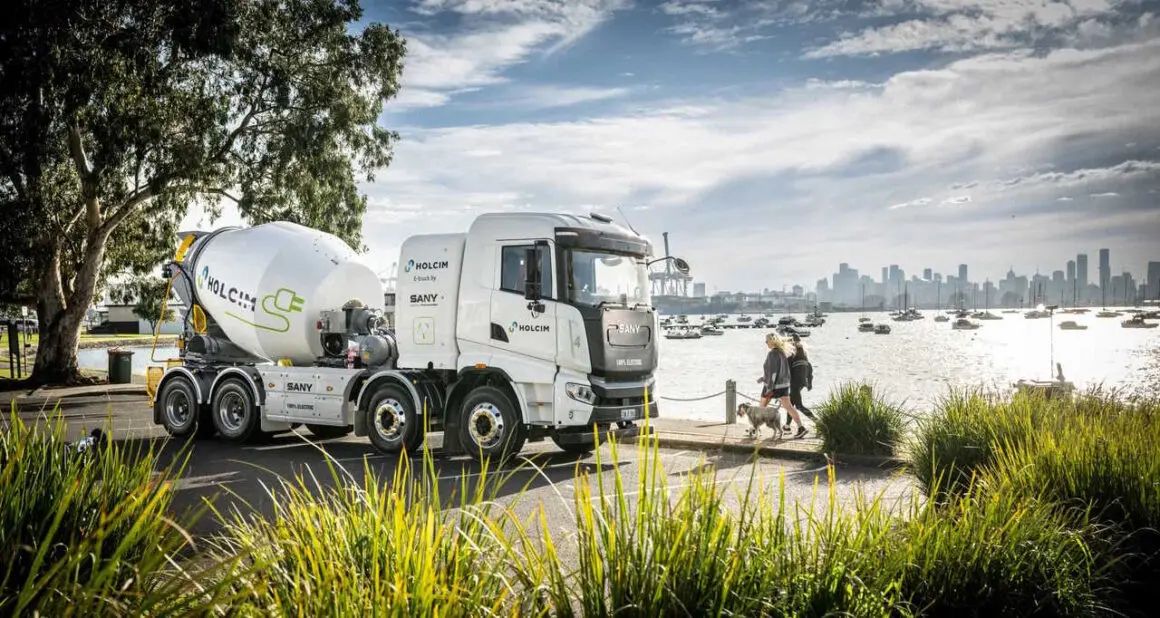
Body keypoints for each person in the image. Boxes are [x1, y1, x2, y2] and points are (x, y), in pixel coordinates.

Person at [757, 333, 807, 438]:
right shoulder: (781, 353)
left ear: (771, 341)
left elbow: (773, 372)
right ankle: (801, 427)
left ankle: (755, 429)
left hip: (773, 385)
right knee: (789, 407)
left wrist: (769, 387)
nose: (766, 343)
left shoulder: (772, 354)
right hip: (784, 385)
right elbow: (780, 371)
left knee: (761, 406)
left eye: (767, 341)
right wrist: (763, 378)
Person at [785, 333, 816, 430]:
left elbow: (787, 372)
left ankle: (817, 422)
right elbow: (810, 369)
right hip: (802, 383)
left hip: (794, 383)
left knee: (798, 406)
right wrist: (809, 383)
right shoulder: (803, 355)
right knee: (791, 404)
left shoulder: (792, 357)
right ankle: (787, 426)